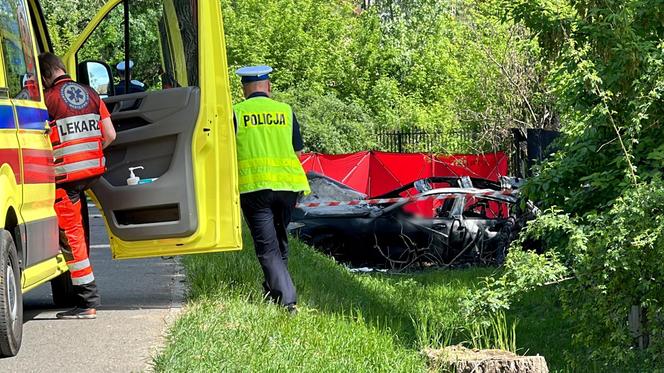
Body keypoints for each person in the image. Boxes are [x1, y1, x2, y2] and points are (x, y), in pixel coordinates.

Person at [39, 52, 117, 319]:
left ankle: (87, 303)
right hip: (92, 172)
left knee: (73, 238)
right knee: (81, 229)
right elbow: (110, 134)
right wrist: (89, 155)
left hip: (65, 179)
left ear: (46, 75)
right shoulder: (91, 93)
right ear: (61, 68)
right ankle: (85, 297)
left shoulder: (47, 100)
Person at [233, 65, 310, 314]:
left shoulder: (236, 113)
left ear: (244, 89)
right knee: (279, 240)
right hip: (288, 187)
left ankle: (287, 301)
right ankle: (272, 292)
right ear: (268, 87)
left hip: (254, 187)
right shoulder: (286, 111)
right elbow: (297, 152)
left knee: (267, 247)